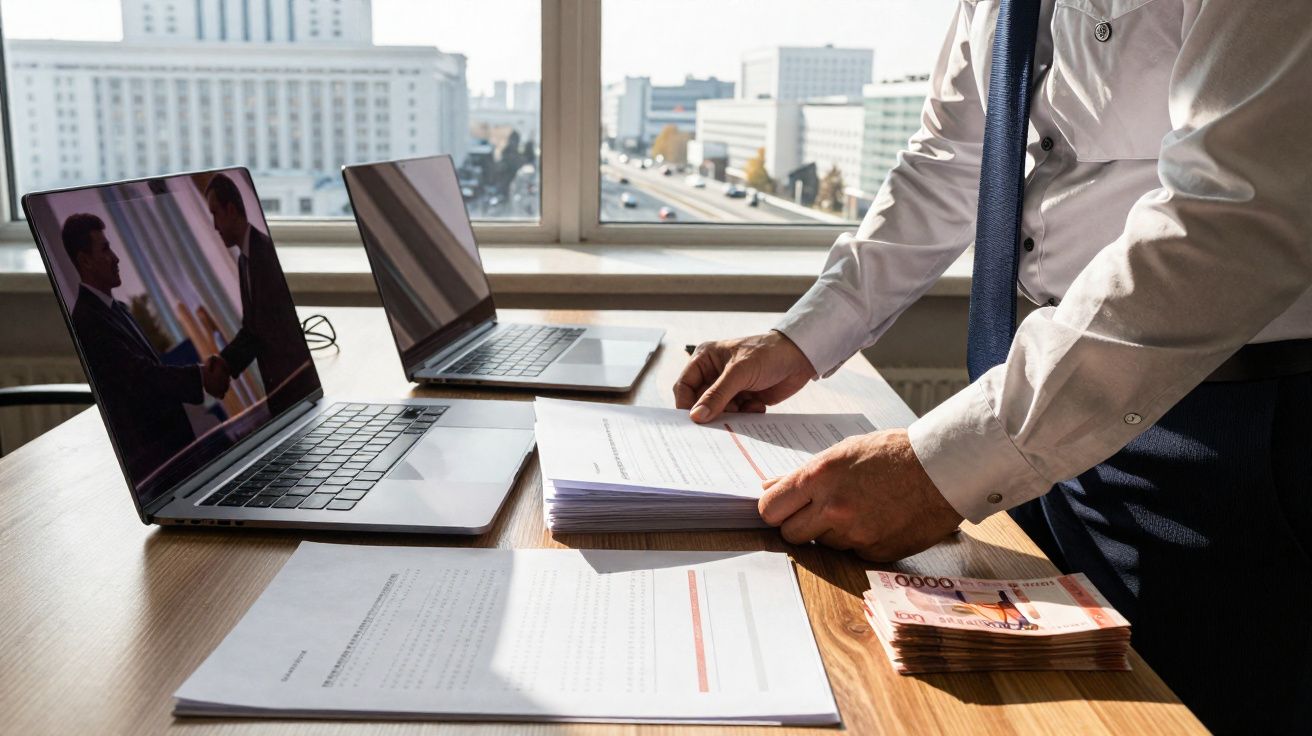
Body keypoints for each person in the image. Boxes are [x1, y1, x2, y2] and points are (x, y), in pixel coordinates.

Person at [674, 2, 1311, 733]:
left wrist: (936, 468)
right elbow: (949, 160)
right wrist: (804, 336)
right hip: (1044, 405)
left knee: (1194, 710)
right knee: (1052, 713)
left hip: (1224, 430)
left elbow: (1231, 218)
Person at [63, 213, 229, 480]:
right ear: (84, 260)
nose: (116, 258)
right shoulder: (87, 320)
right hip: (156, 463)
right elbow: (141, 377)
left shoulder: (119, 310)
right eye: (105, 249)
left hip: (174, 451)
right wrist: (201, 376)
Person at [203, 173, 307, 411]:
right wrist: (225, 362)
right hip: (286, 395)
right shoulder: (244, 261)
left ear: (231, 210)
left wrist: (223, 366)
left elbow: (269, 334)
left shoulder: (266, 255)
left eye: (215, 213)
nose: (215, 226)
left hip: (296, 388)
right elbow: (253, 328)